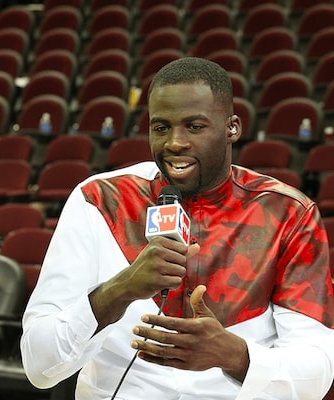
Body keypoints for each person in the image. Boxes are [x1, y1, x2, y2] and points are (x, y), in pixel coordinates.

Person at [21, 57, 334, 399]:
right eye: (161, 127)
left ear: (232, 128)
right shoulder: (100, 199)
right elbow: (39, 365)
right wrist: (121, 289)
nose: (174, 143)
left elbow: (316, 373)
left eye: (195, 126)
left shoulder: (287, 213)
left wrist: (234, 355)